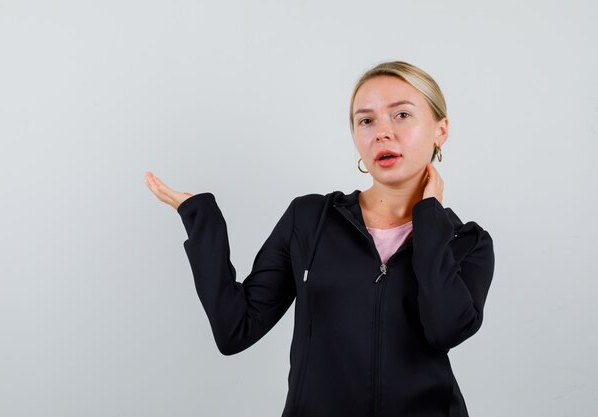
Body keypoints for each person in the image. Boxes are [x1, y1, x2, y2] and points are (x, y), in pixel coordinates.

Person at [145, 61, 495, 417]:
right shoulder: (311, 219)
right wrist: (202, 222)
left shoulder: (467, 242)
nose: (382, 133)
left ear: (441, 130)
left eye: (401, 115)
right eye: (366, 120)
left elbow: (445, 330)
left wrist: (430, 217)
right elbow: (235, 329)